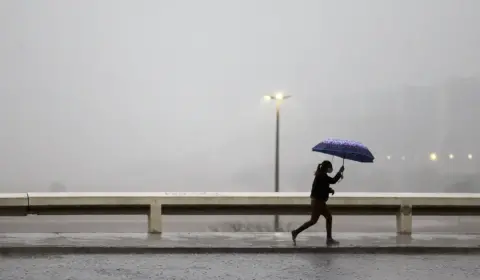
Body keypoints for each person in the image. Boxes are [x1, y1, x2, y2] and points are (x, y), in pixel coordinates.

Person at [291, 160, 344, 246]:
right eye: (330, 167)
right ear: (327, 168)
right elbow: (333, 180)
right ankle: (296, 232)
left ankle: (328, 238)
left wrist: (329, 190)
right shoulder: (322, 175)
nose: (331, 169)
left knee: (326, 218)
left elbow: (322, 187)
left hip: (318, 202)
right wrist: (340, 172)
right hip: (318, 202)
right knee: (316, 220)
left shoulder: (321, 175)